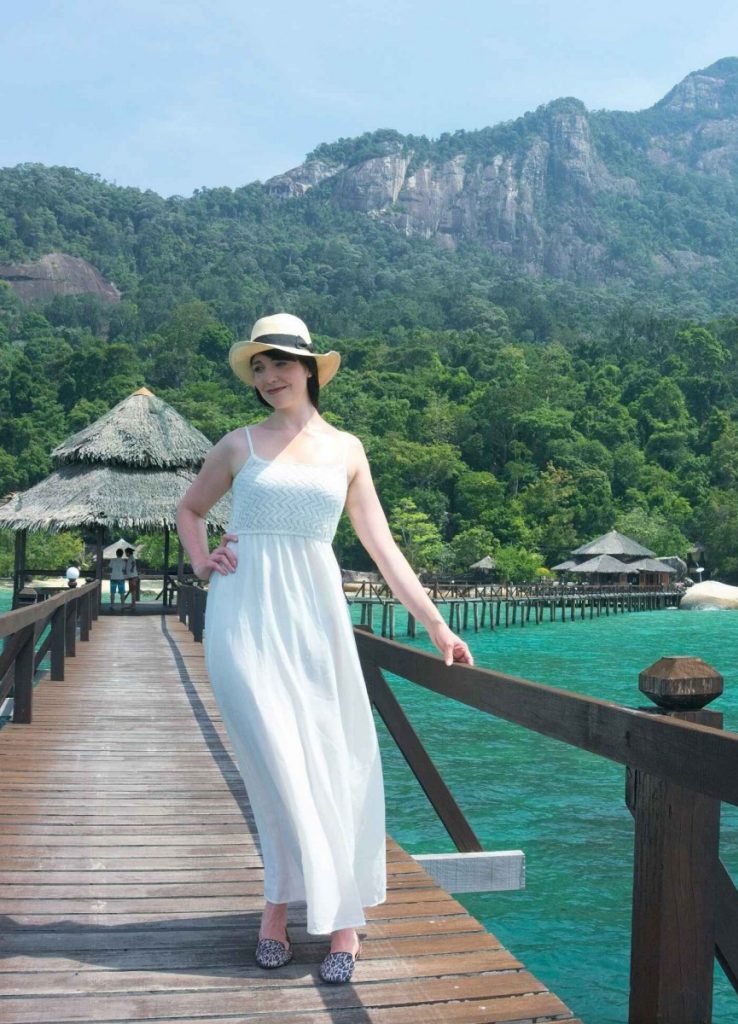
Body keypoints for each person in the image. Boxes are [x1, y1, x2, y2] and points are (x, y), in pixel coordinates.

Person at [176, 312, 472, 986]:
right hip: (242, 619)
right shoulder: (237, 444)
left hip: (314, 620)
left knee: (335, 761)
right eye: (258, 365)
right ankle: (276, 908)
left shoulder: (347, 449)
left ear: (310, 369)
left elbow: (382, 547)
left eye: (280, 362)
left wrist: (434, 625)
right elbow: (189, 511)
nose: (269, 375)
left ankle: (343, 920)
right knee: (273, 761)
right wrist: (200, 563)